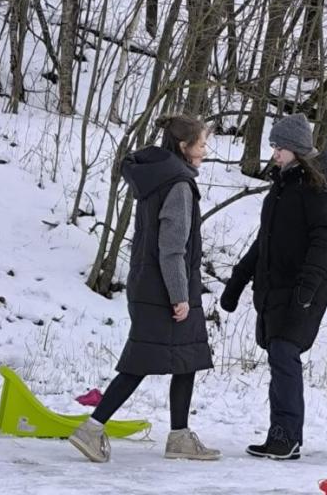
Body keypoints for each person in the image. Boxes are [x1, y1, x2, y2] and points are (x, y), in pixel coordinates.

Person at [69, 113, 220, 464]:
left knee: (187, 357)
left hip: (148, 281)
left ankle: (180, 435)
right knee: (141, 361)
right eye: (201, 144)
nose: (205, 151)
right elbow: (171, 248)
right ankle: (91, 428)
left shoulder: (157, 177)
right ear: (184, 147)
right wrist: (180, 296)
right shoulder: (179, 185)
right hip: (166, 286)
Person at [220, 114, 327, 460]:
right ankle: (281, 432)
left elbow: (324, 242)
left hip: (302, 288)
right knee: (278, 356)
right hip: (276, 287)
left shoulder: (320, 186)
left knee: (285, 355)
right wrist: (237, 282)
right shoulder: (284, 185)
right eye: (274, 146)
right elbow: (265, 242)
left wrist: (307, 288)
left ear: (299, 149)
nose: (274, 154)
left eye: (281, 147)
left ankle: (287, 436)